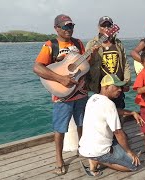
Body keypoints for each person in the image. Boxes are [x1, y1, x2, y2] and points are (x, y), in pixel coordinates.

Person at [33, 14, 87, 175]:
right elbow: (37, 68)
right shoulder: (51, 45)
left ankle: (82, 150)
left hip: (80, 92)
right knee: (60, 129)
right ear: (56, 28)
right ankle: (59, 158)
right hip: (62, 95)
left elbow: (83, 64)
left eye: (71, 26)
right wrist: (60, 79)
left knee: (82, 124)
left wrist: (91, 55)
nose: (69, 29)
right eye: (65, 26)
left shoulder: (78, 43)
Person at [78, 74, 145, 176]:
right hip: (99, 150)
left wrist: (132, 112)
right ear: (106, 87)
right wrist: (129, 152)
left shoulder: (93, 98)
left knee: (124, 142)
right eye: (116, 87)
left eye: (120, 87)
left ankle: (94, 161)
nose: (120, 90)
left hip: (86, 146)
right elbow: (118, 132)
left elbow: (114, 111)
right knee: (133, 165)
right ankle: (99, 160)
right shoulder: (109, 104)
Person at [85, 16, 131, 111]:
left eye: (109, 25)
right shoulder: (91, 44)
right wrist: (93, 54)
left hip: (118, 86)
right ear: (98, 27)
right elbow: (86, 65)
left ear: (112, 27)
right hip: (101, 88)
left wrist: (127, 82)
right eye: (103, 25)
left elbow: (125, 63)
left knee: (119, 113)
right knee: (101, 114)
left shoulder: (118, 44)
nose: (106, 28)